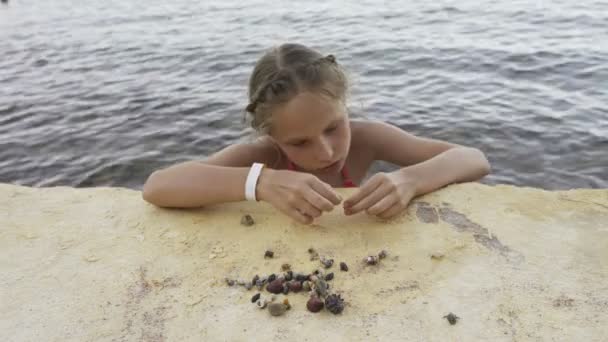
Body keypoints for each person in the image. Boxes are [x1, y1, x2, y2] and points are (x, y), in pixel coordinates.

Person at [142, 43, 491, 224]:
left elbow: (474, 159)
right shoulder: (263, 157)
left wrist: (411, 180)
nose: (325, 152)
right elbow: (158, 186)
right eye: (299, 142)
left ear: (345, 106)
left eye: (333, 128)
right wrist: (260, 183)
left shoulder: (370, 138)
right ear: (273, 137)